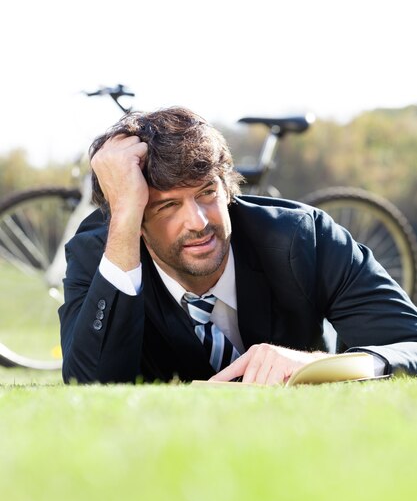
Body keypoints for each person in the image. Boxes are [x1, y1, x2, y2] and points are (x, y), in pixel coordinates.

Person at [59, 106, 417, 385]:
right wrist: (123, 221)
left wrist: (316, 364)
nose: (198, 223)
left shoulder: (303, 237)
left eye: (207, 193)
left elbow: (410, 344)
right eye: (167, 206)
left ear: (228, 189)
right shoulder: (100, 255)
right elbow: (89, 383)